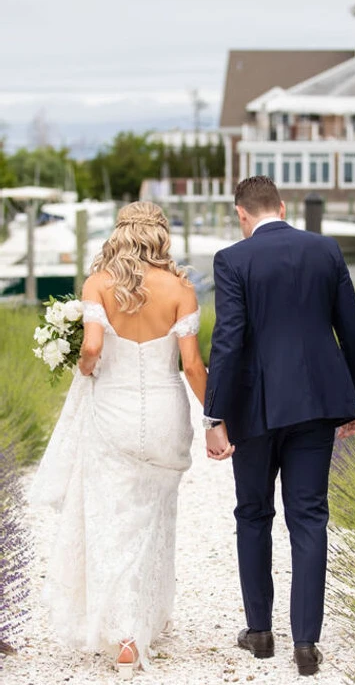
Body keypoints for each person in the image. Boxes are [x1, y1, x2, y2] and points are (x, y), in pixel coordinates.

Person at [29, 201, 233, 679]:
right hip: (164, 415)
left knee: (114, 521)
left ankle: (125, 633)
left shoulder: (99, 284)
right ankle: (147, 620)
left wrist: (84, 366)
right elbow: (192, 366)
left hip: (112, 416)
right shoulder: (182, 289)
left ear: (120, 234)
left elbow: (94, 346)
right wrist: (215, 422)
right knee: (155, 520)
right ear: (161, 235)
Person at [203, 176, 355, 677]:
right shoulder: (325, 249)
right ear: (281, 205)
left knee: (254, 514)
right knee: (310, 516)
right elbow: (353, 327)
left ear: (242, 214)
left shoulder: (232, 259)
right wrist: (354, 396)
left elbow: (228, 341)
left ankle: (259, 633)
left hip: (253, 409)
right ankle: (306, 643)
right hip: (318, 403)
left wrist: (214, 415)